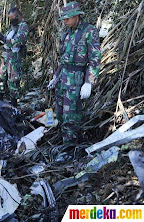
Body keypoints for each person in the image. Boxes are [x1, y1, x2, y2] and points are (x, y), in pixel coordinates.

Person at [48, 1, 101, 145]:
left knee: (71, 116)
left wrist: (88, 82)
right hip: (63, 79)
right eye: (63, 18)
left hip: (76, 81)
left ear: (77, 16)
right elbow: (63, 59)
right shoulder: (67, 33)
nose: (65, 21)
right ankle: (63, 142)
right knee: (59, 113)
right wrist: (56, 76)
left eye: (68, 18)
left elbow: (95, 60)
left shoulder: (89, 31)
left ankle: (70, 148)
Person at [0, 7, 29, 107]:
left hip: (15, 56)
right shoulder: (13, 26)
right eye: (10, 18)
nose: (11, 20)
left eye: (13, 18)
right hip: (7, 55)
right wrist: (0, 37)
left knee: (13, 80)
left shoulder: (23, 26)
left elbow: (20, 41)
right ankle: (0, 95)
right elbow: (7, 39)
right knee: (1, 75)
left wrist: (4, 39)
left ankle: (14, 103)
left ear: (18, 16)